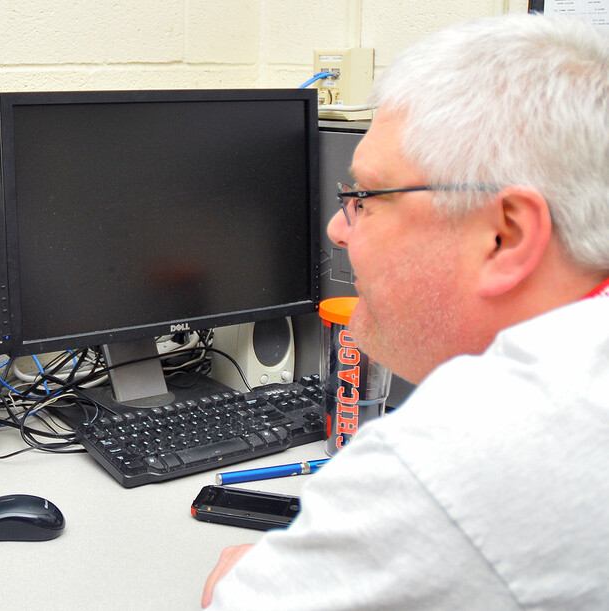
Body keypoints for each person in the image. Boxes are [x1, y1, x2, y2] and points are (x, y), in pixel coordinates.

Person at [202, 13, 609, 609]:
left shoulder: (467, 453)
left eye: (366, 199)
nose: (337, 229)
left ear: (505, 235)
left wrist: (253, 579)